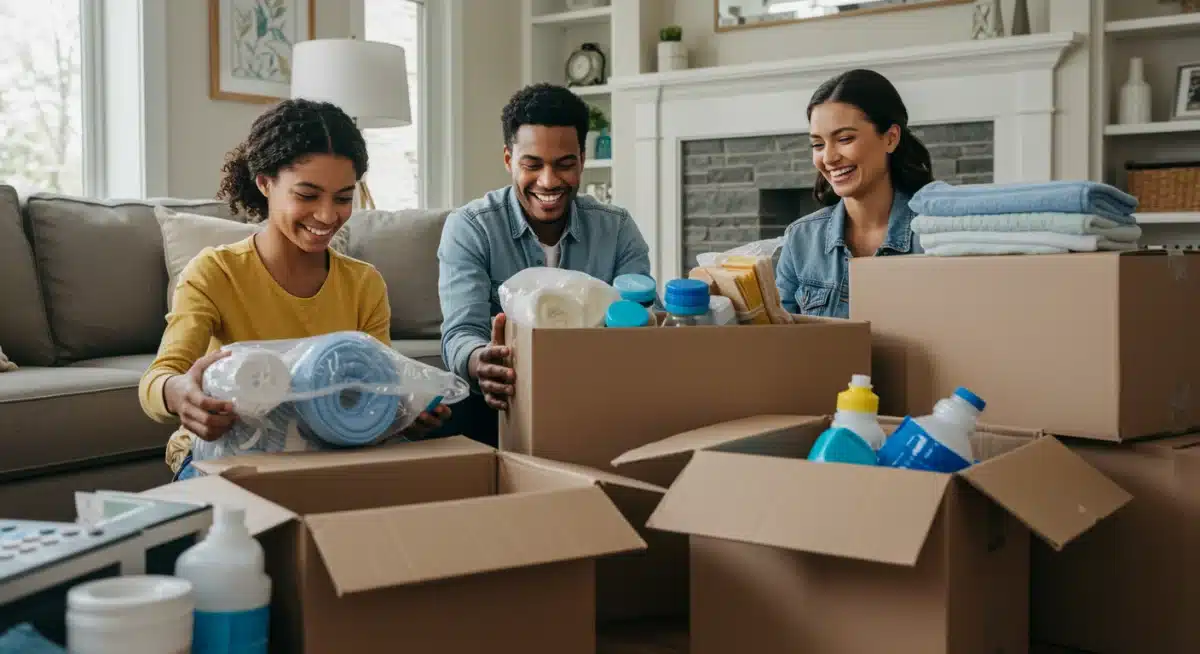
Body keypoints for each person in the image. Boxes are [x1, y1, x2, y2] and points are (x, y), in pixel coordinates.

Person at [139, 98, 449, 480]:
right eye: (307, 195)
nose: (326, 215)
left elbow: (377, 388)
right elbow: (157, 379)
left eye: (343, 198)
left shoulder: (363, 283)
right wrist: (180, 394)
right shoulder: (216, 272)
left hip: (332, 454)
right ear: (265, 183)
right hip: (226, 455)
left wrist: (405, 414)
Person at [437, 83, 651, 446]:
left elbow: (643, 320)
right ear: (509, 160)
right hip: (503, 402)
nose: (549, 182)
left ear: (582, 159)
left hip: (597, 398)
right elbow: (460, 335)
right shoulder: (471, 228)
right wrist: (481, 363)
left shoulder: (616, 229)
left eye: (565, 165)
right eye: (532, 165)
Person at [775, 68, 934, 319]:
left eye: (845, 138)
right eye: (818, 144)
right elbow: (776, 338)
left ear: (891, 138)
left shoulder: (935, 236)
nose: (828, 158)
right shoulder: (801, 240)